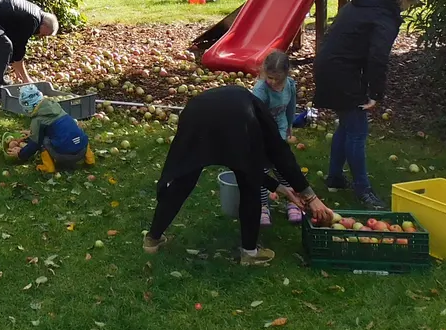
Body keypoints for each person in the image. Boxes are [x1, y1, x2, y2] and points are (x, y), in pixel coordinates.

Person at [144, 85, 336, 266]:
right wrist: (310, 196)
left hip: (195, 112)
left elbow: (246, 164)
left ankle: (152, 239)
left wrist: (282, 189)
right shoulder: (259, 121)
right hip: (227, 118)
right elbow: (279, 156)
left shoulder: (251, 111)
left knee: (184, 179)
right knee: (249, 185)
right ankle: (250, 253)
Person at [313, 0, 421, 210]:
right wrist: (376, 93)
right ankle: (363, 190)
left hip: (329, 63)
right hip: (343, 71)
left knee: (347, 124)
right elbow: (378, 56)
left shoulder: (367, 0)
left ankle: (335, 178)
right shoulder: (384, 15)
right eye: (410, 4)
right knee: (358, 131)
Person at [250, 51, 305, 225]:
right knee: (262, 170)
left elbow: (290, 106)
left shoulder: (289, 85)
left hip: (279, 128)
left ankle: (293, 202)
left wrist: (289, 125)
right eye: (270, 77)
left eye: (277, 79)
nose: (272, 82)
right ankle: (263, 206)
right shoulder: (260, 90)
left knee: (283, 166)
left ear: (286, 73)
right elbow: (254, 117)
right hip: (262, 133)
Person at [4, 84, 93, 172]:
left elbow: (34, 144)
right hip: (82, 150)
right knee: (77, 133)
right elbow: (55, 128)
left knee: (42, 141)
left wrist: (20, 154)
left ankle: (48, 167)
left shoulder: (38, 120)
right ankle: (90, 160)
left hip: (65, 156)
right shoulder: (56, 108)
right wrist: (33, 132)